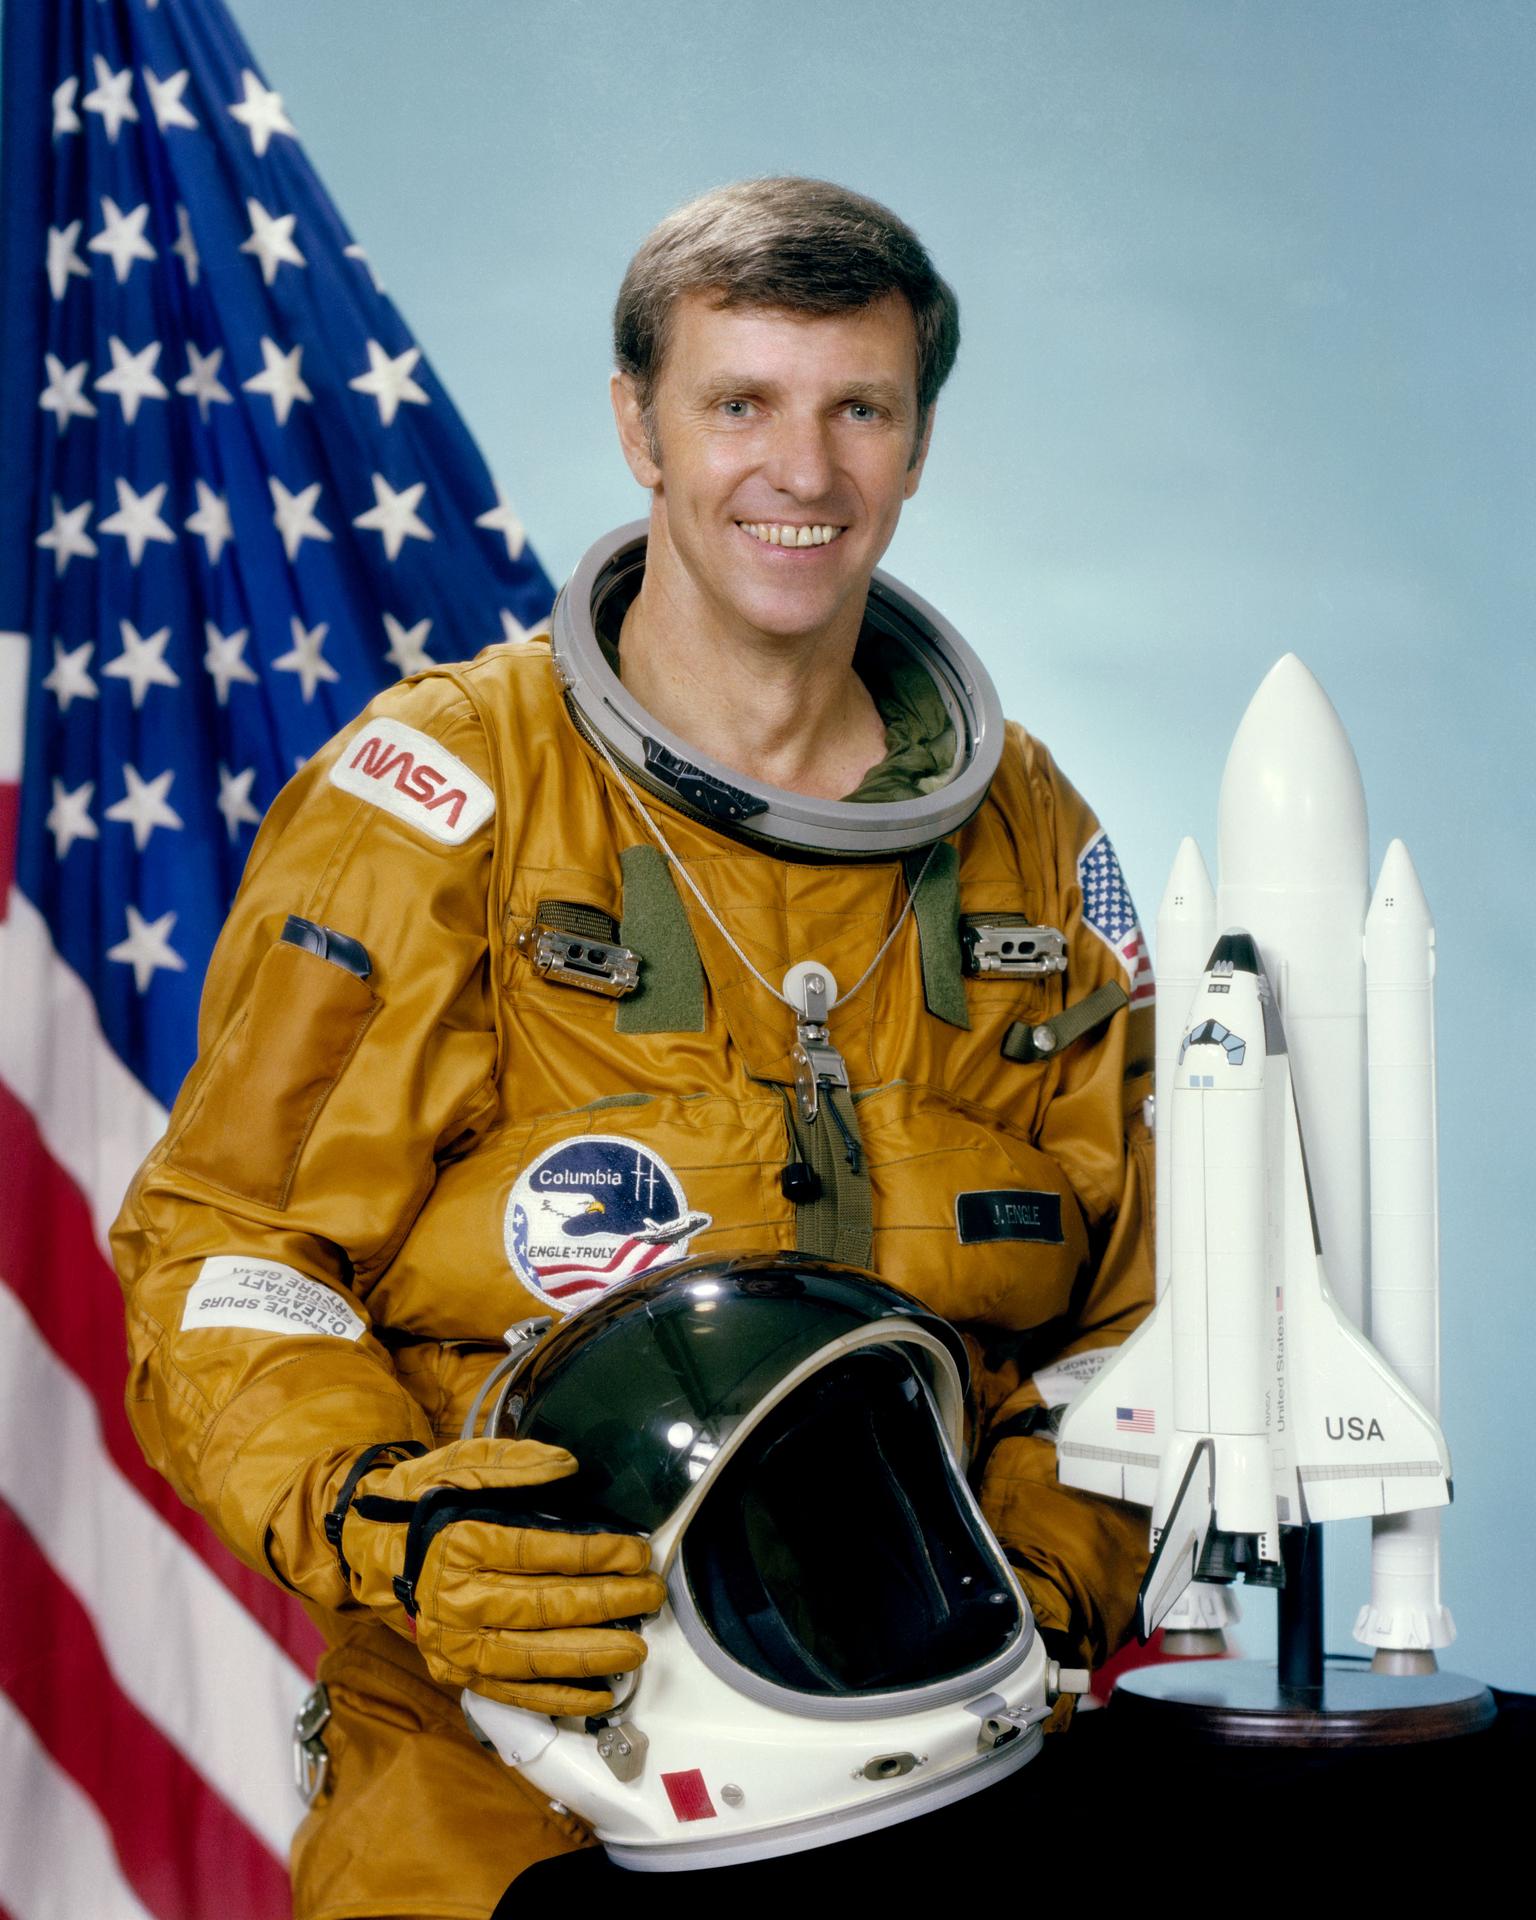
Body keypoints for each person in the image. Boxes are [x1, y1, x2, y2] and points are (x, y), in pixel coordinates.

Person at [113, 177, 1155, 1918]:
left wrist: (1034, 1583)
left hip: (943, 1758)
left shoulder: (1033, 843)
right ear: (638, 428)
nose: (801, 474)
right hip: (512, 1782)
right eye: (738, 401)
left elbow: (1143, 1314)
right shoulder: (450, 795)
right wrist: (398, 1517)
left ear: (916, 445)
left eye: (860, 410)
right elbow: (225, 1248)